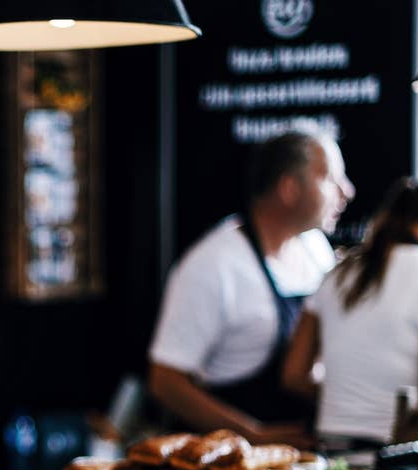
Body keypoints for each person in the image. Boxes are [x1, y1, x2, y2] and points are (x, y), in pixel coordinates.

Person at [147, 128, 355, 445]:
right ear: (289, 188)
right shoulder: (214, 265)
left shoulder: (315, 248)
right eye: (330, 178)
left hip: (304, 456)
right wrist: (252, 436)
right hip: (228, 462)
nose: (347, 191)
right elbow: (165, 382)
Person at [281, 170, 418, 448]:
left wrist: (348, 397)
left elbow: (294, 376)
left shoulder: (339, 272)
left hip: (331, 450)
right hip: (398, 456)